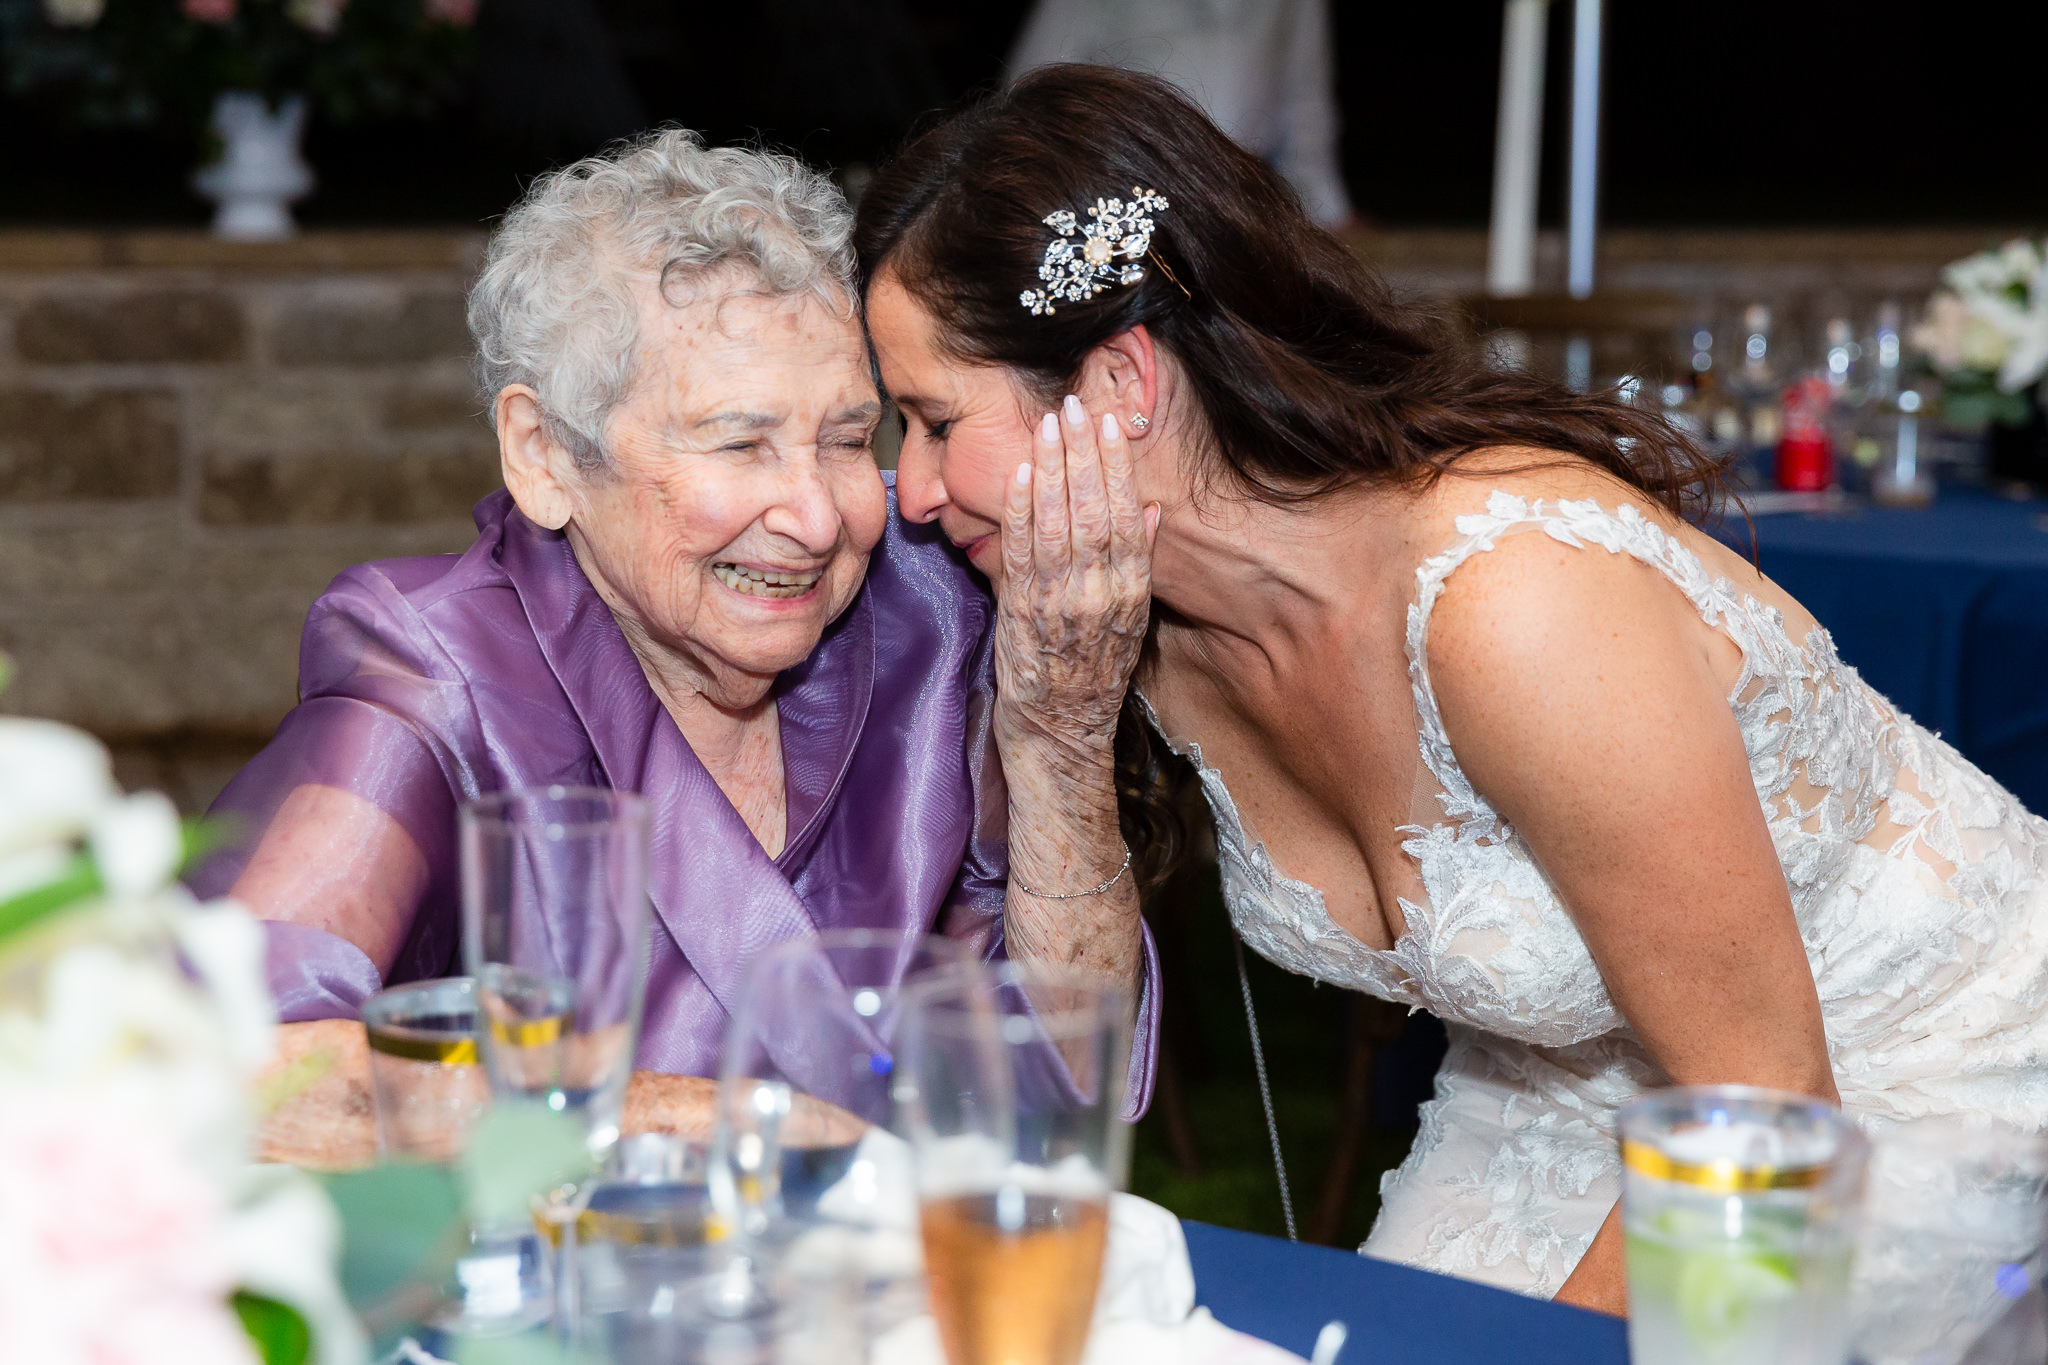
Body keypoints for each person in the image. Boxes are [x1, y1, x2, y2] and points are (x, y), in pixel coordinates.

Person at [853, 64, 2048, 1315]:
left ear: (1119, 384)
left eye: (934, 421)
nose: (916, 494)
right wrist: (1053, 727)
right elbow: (1062, 1078)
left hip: (1907, 1078)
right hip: (1553, 1079)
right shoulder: (1120, 620)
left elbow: (1762, 1100)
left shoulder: (1514, 604)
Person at [193, 129, 1157, 1149]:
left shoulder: (929, 607)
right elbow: (230, 1069)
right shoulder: (434, 675)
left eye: (843, 439)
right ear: (544, 454)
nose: (817, 518)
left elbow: (1061, 1082)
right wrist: (719, 1127)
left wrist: (1058, 739)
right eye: (739, 442)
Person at [1007, 0, 1354, 228]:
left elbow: (1306, 104)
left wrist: (1327, 209)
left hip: (1244, 204)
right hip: (1122, 194)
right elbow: (1031, 91)